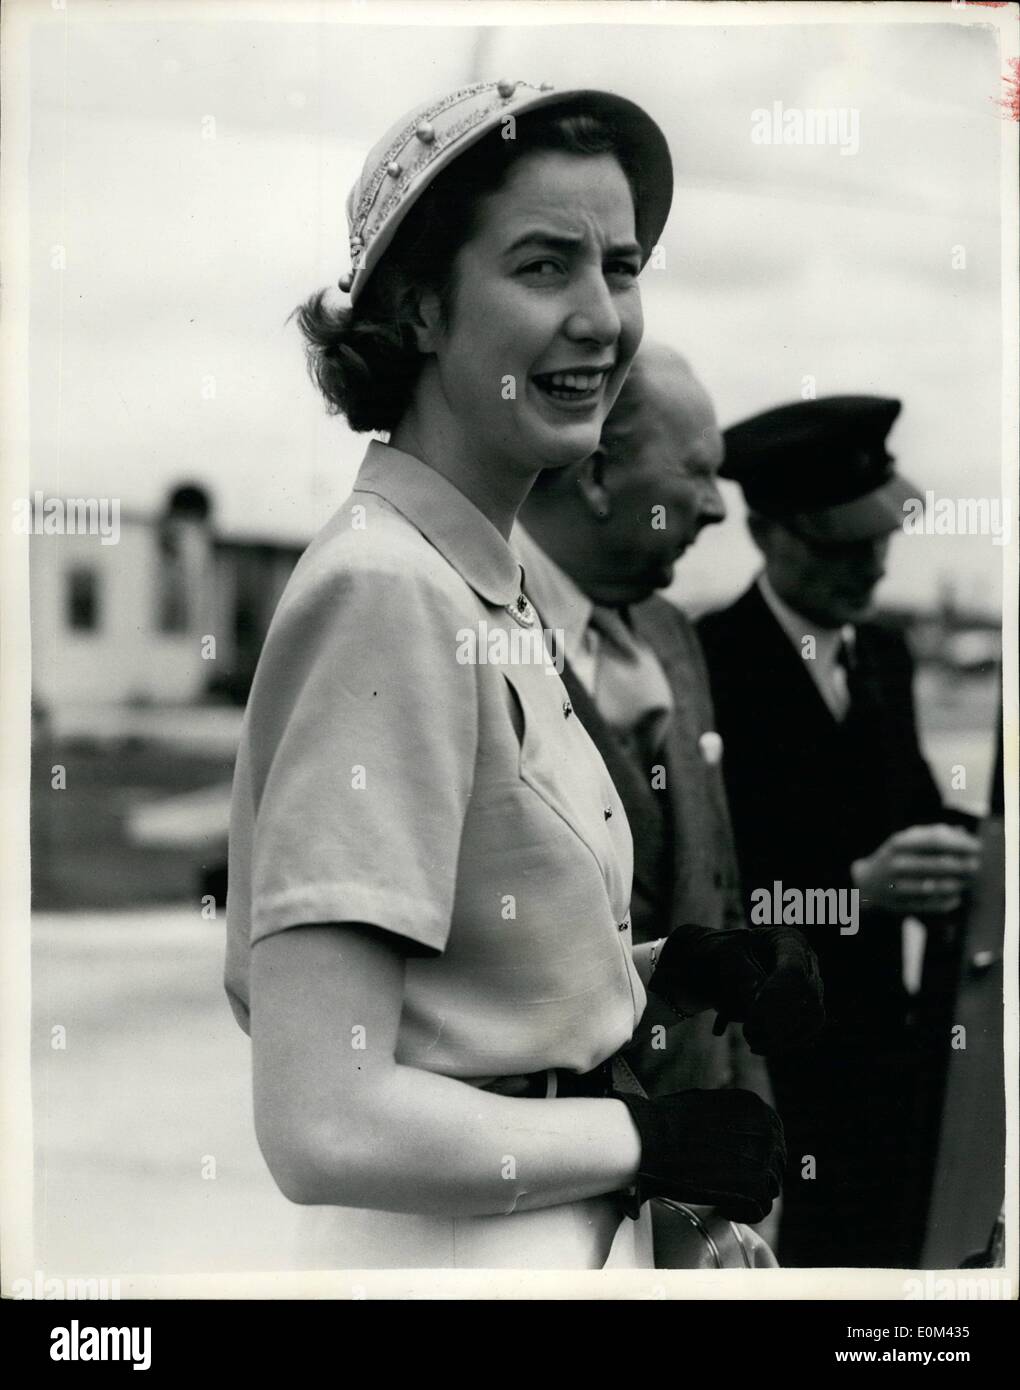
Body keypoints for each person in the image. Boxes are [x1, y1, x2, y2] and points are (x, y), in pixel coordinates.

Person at [223, 79, 787, 1271]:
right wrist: (645, 1136)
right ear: (422, 308)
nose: (602, 320)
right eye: (544, 268)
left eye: (622, 268)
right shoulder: (389, 591)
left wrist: (661, 977)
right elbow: (325, 1118)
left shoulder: (474, 575)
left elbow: (463, 1000)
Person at [515, 342, 825, 1260]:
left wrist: (749, 1174)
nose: (721, 505)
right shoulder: (473, 633)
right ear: (601, 473)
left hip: (701, 1208)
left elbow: (710, 896)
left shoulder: (669, 634)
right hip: (558, 1216)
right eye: (697, 472)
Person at [697, 395, 983, 1267]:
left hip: (886, 1063)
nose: (871, 568)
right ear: (766, 531)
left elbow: (920, 807)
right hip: (766, 1070)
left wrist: (973, 844)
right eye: (842, 545)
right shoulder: (708, 664)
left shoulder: (884, 657)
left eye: (881, 543)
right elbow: (706, 895)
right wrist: (860, 888)